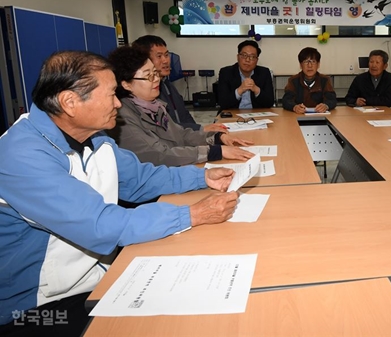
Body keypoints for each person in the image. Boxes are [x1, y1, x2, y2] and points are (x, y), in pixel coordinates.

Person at [0, 51, 240, 335]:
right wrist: (193, 213)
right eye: (111, 94)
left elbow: (140, 181)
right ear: (70, 102)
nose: (118, 103)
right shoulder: (21, 155)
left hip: (97, 279)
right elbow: (100, 225)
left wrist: (202, 176)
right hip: (34, 309)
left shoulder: (95, 137)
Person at [107, 46, 254, 167]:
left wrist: (217, 138)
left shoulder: (155, 106)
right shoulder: (123, 117)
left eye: (155, 73)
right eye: (149, 76)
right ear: (126, 84)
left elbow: (182, 135)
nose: (157, 79)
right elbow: (160, 155)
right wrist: (214, 151)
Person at [132, 35, 226, 132]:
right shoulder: (146, 93)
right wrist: (200, 129)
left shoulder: (167, 84)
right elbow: (165, 128)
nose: (165, 60)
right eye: (159, 56)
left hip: (186, 138)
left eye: (166, 55)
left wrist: (199, 133)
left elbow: (184, 114)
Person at [218, 40, 275, 110]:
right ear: (238, 57)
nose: (247, 60)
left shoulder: (264, 73)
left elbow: (269, 102)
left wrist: (256, 89)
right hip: (232, 114)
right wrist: (240, 90)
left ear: (257, 60)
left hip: (256, 115)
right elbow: (222, 103)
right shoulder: (226, 72)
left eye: (252, 57)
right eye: (244, 55)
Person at [283, 47, 337, 114]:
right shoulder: (293, 80)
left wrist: (325, 106)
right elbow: (286, 100)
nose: (310, 65)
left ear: (318, 64)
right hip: (298, 116)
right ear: (300, 65)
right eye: (306, 62)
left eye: (313, 61)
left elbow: (332, 99)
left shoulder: (325, 80)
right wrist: (295, 107)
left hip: (320, 117)